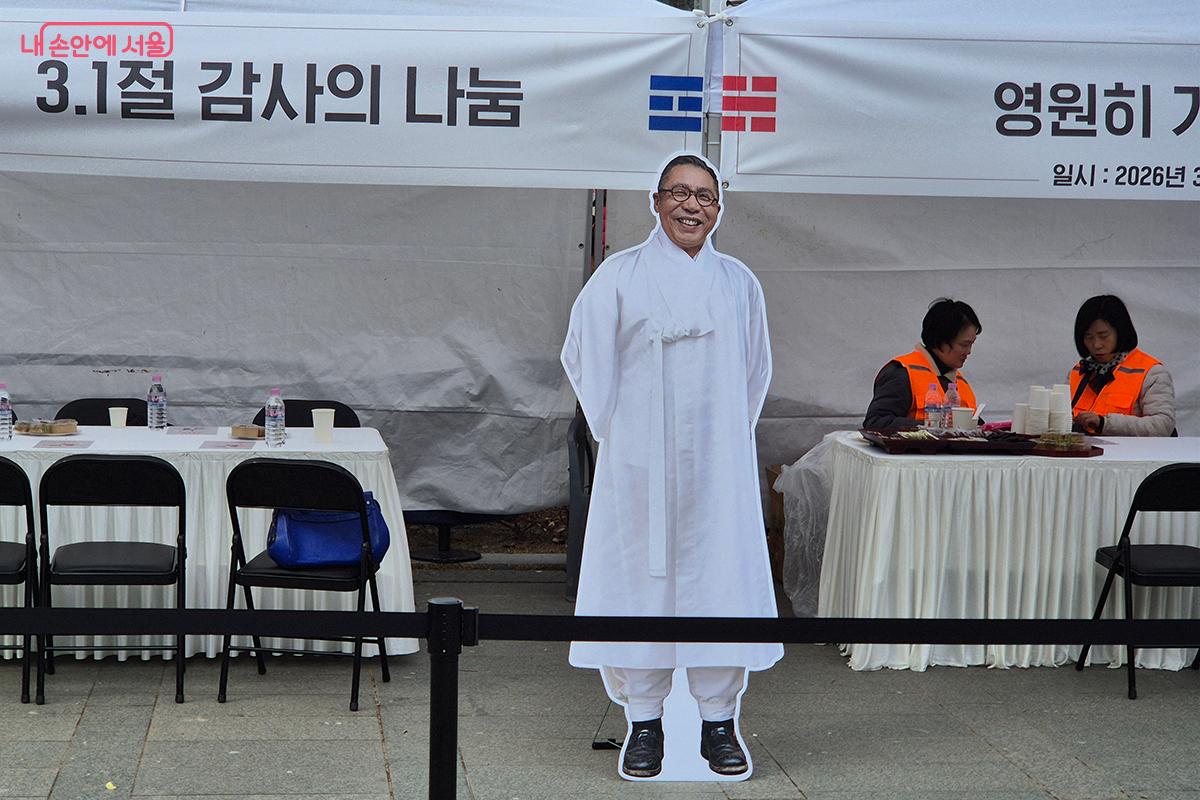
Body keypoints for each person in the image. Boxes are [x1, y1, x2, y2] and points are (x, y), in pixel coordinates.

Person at [561, 153, 781, 779]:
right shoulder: (619, 276)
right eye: (679, 193)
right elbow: (585, 359)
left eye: (706, 196)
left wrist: (725, 443)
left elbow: (756, 371)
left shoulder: (739, 282)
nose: (692, 205)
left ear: (720, 209)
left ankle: (718, 719)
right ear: (655, 202)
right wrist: (625, 437)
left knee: (720, 582)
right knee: (641, 585)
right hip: (639, 465)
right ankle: (644, 720)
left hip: (718, 464)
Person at [863, 298, 982, 430]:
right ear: (941, 340)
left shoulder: (960, 382)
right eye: (964, 345)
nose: (969, 352)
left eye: (971, 344)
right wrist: (930, 427)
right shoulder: (902, 373)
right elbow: (875, 422)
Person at [1069, 295, 1176, 436]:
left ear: (1120, 332)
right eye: (1088, 337)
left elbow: (1162, 425)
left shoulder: (1151, 372)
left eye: (1103, 336)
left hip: (1132, 455)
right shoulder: (1079, 371)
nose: (1096, 345)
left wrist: (1104, 423)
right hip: (1082, 454)